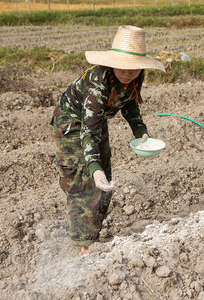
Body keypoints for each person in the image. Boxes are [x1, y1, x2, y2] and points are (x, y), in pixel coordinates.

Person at [51, 25, 165, 255]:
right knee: (83, 179)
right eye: (122, 67)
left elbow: (130, 103)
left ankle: (90, 236)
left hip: (96, 121)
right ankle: (82, 247)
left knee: (105, 183)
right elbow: (88, 129)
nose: (127, 73)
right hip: (71, 124)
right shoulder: (98, 82)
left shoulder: (135, 77)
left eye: (133, 69)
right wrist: (94, 167)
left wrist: (140, 132)